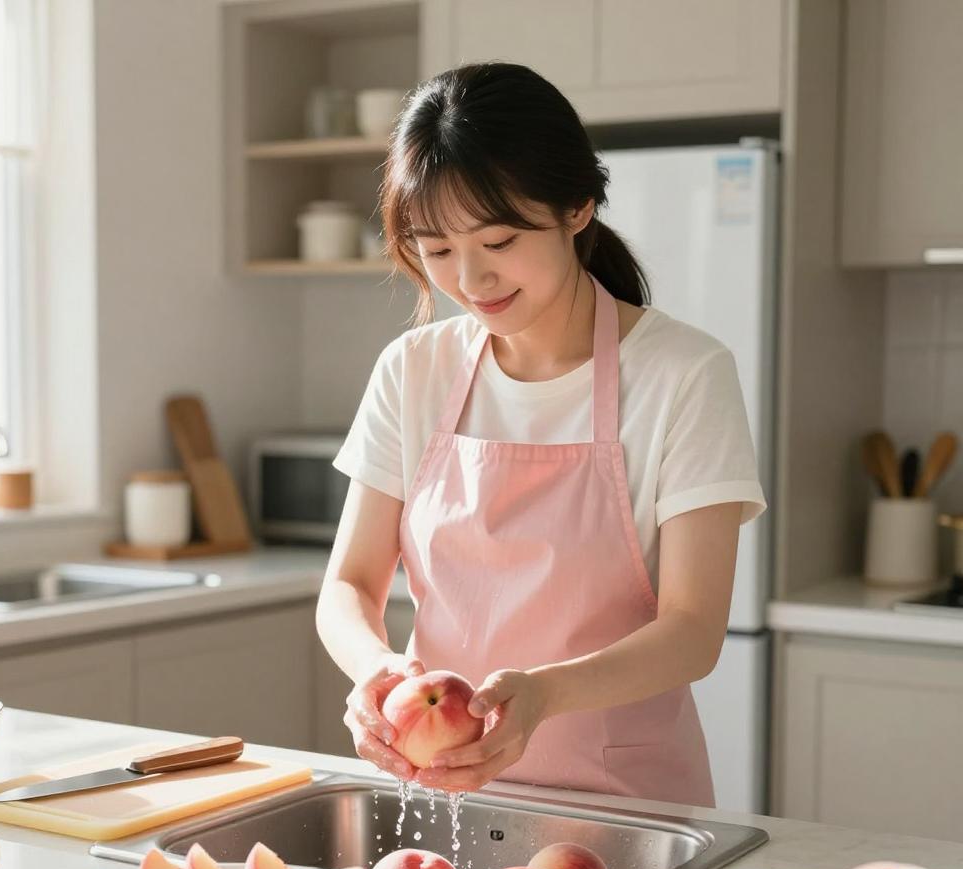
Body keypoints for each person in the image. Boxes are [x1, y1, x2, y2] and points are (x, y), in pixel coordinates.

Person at [315, 62, 766, 806]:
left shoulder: (684, 374)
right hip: (446, 797)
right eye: (437, 251)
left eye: (498, 241)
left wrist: (546, 694)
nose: (471, 281)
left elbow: (693, 630)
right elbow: (349, 584)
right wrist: (375, 673)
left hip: (626, 806)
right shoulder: (413, 369)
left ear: (577, 208)